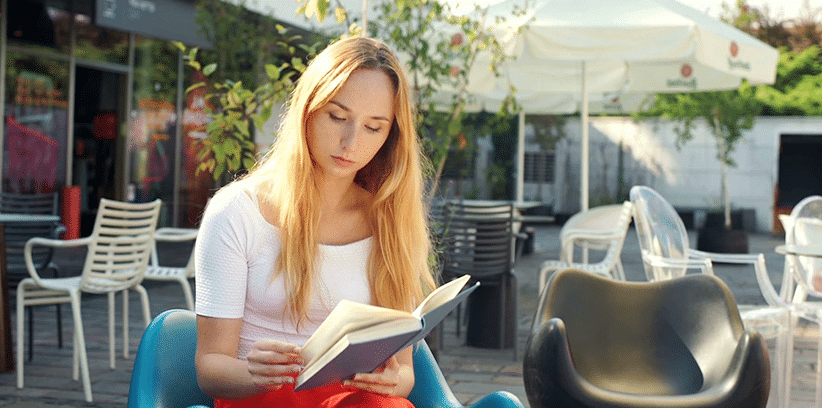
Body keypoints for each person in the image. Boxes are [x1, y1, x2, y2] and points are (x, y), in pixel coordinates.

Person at [194, 37, 436, 408]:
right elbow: (210, 367)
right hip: (264, 398)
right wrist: (252, 374)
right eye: (337, 116)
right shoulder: (237, 212)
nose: (350, 141)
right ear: (308, 109)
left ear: (391, 136)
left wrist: (390, 380)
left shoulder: (387, 220)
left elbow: (404, 374)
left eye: (374, 127)